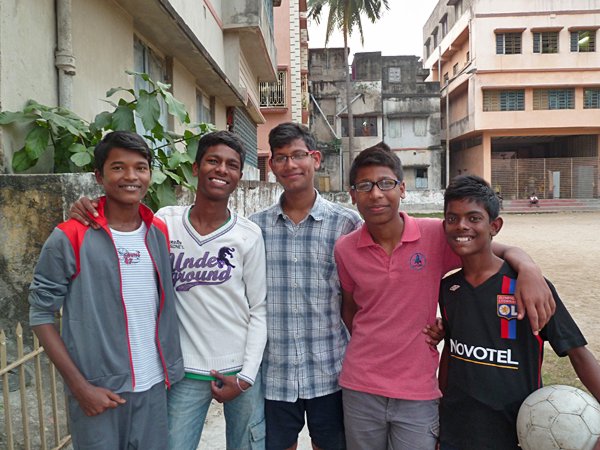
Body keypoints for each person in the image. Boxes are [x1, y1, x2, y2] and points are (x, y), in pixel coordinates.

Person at [333, 144, 555, 450]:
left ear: (402, 189)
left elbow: (493, 249)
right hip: (360, 386)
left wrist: (528, 268)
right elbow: (350, 309)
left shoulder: (435, 235)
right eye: (364, 186)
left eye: (385, 183)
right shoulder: (345, 248)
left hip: (417, 389)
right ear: (352, 194)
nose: (375, 194)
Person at [69, 131, 267, 450]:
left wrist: (247, 376)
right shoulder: (165, 222)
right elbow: (123, 222)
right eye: (213, 161)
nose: (221, 170)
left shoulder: (248, 234)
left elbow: (259, 308)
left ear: (239, 176)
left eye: (231, 165)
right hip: (183, 371)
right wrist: (89, 207)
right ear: (196, 167)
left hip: (239, 370)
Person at [29, 131, 184, 450]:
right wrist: (80, 388)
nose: (131, 176)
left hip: (155, 388)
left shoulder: (158, 232)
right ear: (99, 176)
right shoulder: (70, 235)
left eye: (140, 167)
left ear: (150, 174)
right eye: (118, 167)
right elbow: (41, 315)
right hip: (99, 393)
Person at [438, 175, 600, 450]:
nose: (462, 225)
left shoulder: (530, 287)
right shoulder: (448, 287)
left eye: (474, 218)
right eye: (452, 218)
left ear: (495, 226)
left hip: (516, 433)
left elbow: (578, 352)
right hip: (456, 432)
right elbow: (451, 353)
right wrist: (439, 409)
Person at [249, 123, 362, 450]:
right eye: (281, 157)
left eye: (298, 155)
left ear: (315, 159)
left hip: (330, 368)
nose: (290, 165)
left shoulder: (347, 224)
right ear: (272, 166)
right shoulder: (255, 228)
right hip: (275, 372)